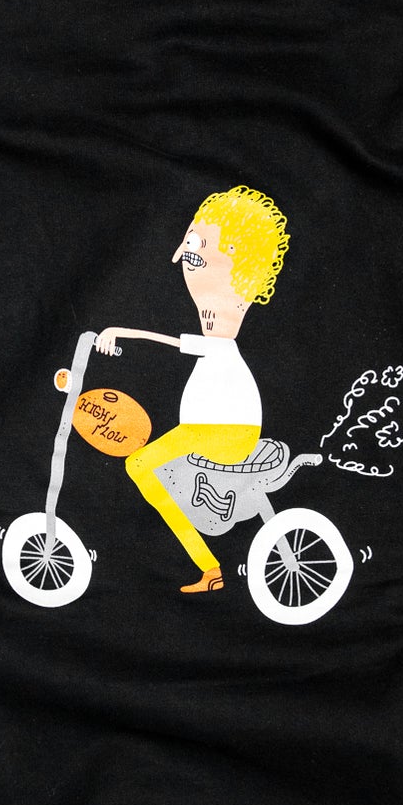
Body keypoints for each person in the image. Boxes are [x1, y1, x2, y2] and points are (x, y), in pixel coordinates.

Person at [95, 184, 289, 593]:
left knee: (138, 465)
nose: (186, 256)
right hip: (216, 429)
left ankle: (209, 565)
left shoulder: (222, 332)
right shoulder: (220, 325)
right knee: (152, 465)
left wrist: (120, 332)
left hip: (220, 431)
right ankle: (206, 529)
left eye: (198, 249)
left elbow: (179, 342)